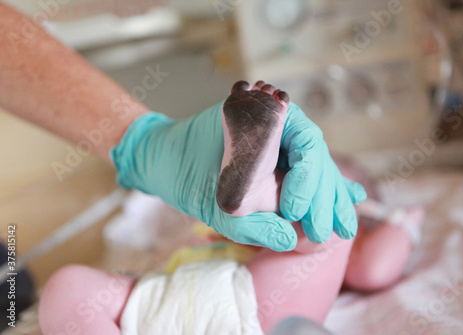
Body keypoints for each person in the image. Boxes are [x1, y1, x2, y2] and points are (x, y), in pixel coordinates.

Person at [38, 80, 424, 334]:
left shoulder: (342, 244)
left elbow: (374, 268)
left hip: (254, 308)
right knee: (68, 287)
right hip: (157, 304)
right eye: (282, 172)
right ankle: (257, 198)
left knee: (328, 234)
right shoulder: (206, 227)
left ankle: (265, 200)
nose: (292, 179)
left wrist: (402, 225)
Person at [0, 3, 366, 252]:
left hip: (202, 281)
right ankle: (263, 194)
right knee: (312, 239)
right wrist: (404, 227)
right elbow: (371, 269)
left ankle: (262, 191)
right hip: (232, 288)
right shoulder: (352, 241)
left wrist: (139, 142)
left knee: (42, 290)